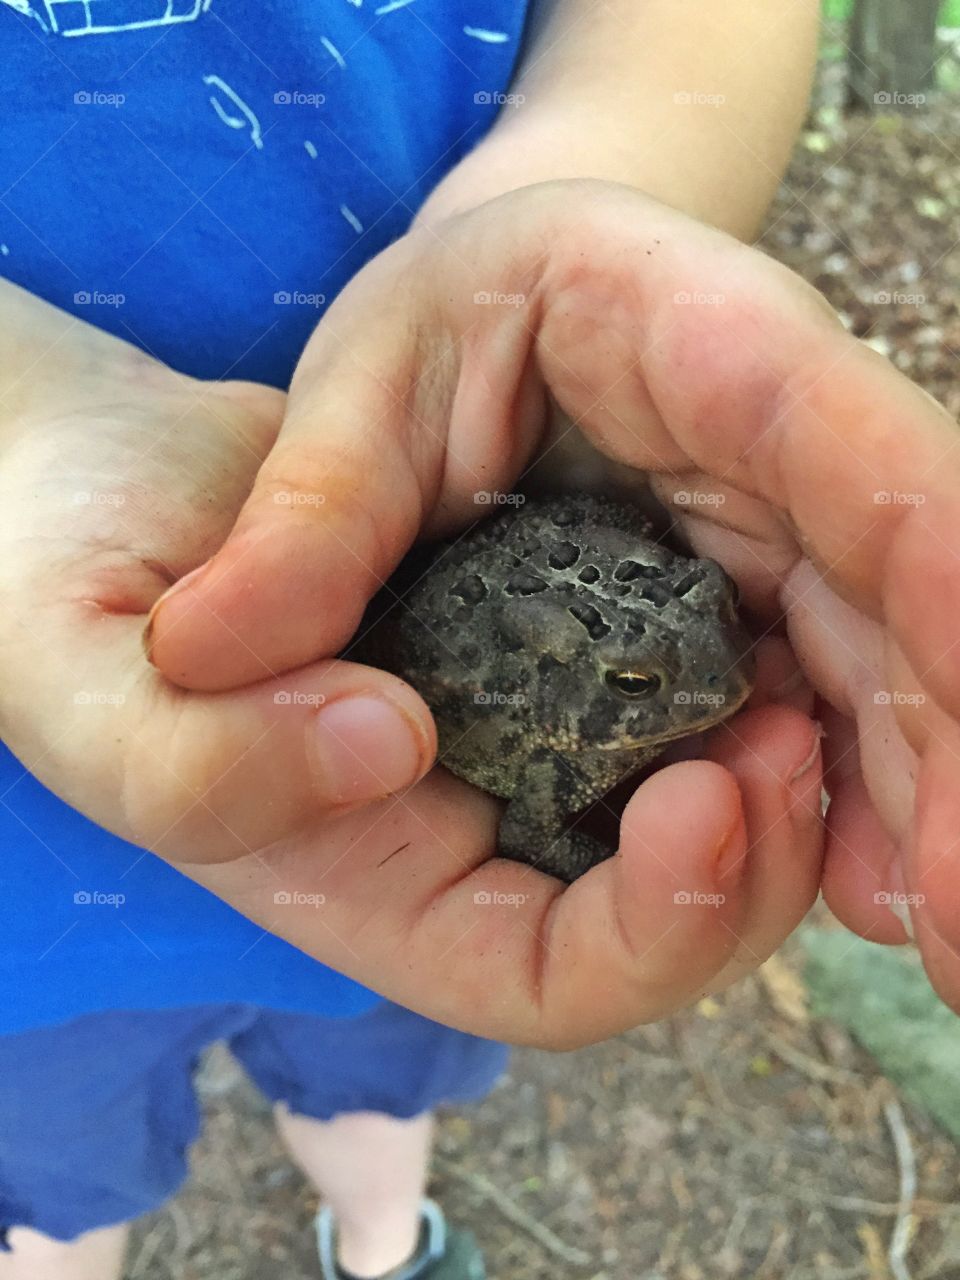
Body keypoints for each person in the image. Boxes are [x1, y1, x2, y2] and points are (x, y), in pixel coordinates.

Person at [3, 2, 959, 1277]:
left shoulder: (625, 598)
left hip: (396, 866)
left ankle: (385, 1239)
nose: (710, 675)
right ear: (597, 694)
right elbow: (540, 824)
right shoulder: (554, 730)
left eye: (703, 632)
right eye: (641, 685)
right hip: (41, 899)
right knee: (70, 1169)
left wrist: (568, 238)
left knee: (380, 1074)